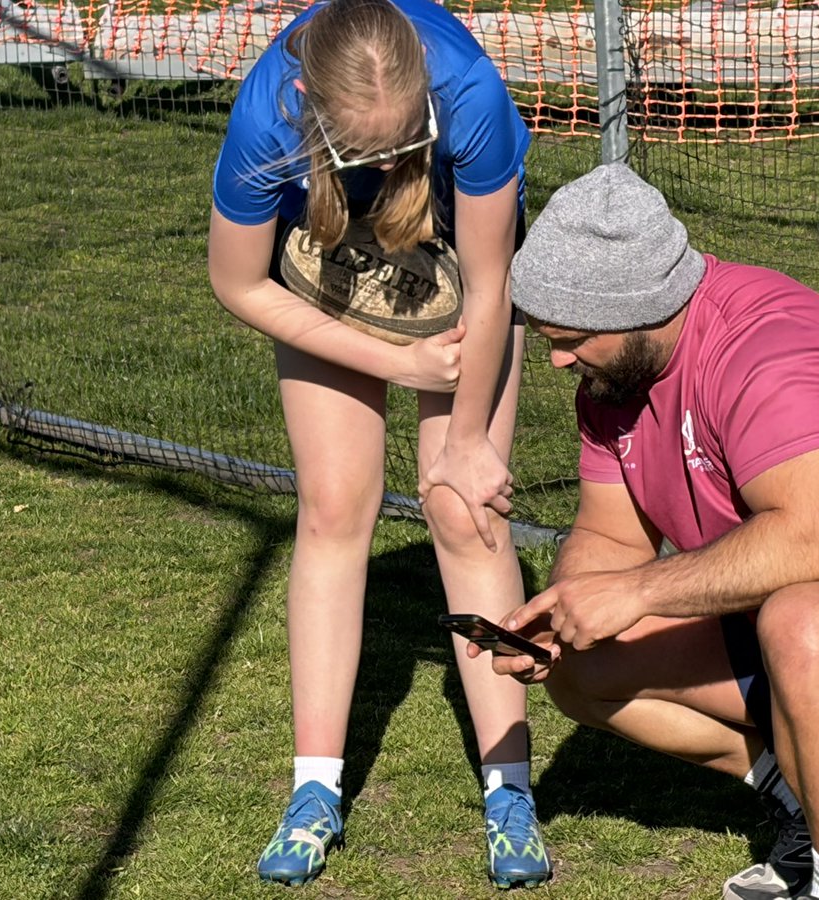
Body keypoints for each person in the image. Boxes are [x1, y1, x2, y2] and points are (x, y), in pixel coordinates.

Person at [486, 163, 819, 900]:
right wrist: (566, 612)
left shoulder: (765, 348)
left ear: (641, 308)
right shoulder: (613, 376)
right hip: (792, 615)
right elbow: (611, 538)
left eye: (572, 337)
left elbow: (814, 543)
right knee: (586, 665)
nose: (558, 360)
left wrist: (636, 593)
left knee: (804, 619)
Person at [208, 0, 550, 888]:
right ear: (309, 108)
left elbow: (490, 283)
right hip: (326, 274)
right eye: (370, 154)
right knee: (331, 508)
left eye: (407, 144)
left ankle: (510, 791)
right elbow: (237, 280)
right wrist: (394, 362)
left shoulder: (470, 95)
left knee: (464, 511)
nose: (393, 164)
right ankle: (314, 789)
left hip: (455, 274)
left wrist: (468, 438)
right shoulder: (265, 115)